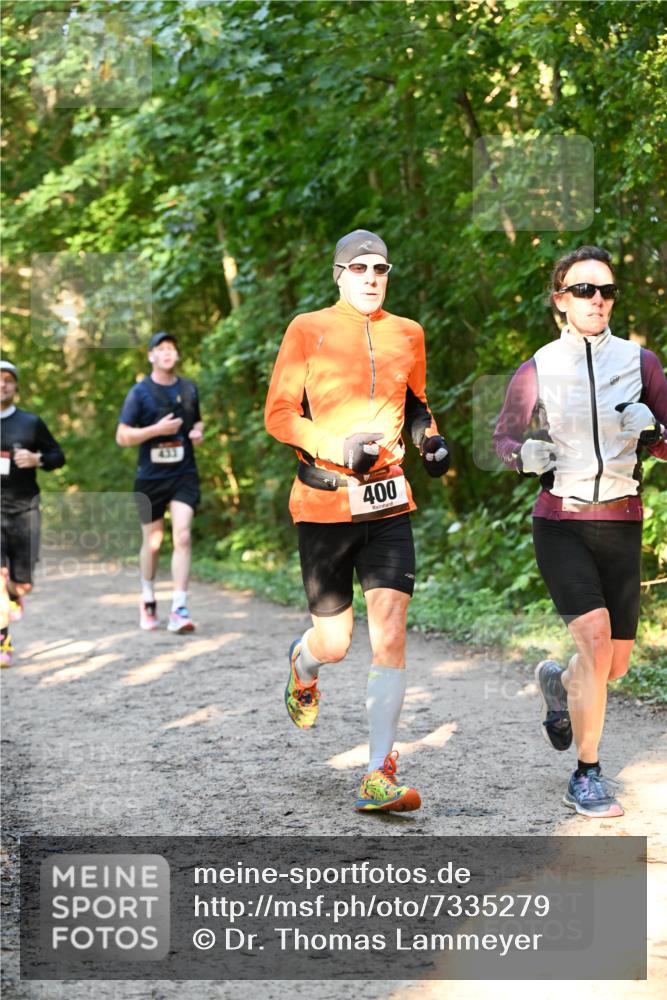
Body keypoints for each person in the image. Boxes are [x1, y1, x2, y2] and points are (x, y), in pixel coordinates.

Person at [265, 229, 449, 812]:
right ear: (339, 274)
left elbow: (415, 403)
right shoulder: (307, 328)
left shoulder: (408, 333)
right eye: (360, 268)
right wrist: (337, 446)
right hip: (325, 502)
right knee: (336, 642)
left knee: (390, 627)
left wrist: (432, 442)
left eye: (381, 268)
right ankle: (304, 662)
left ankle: (378, 771)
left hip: (389, 501)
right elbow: (278, 415)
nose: (372, 277)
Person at [494, 245, 667, 818]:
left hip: (620, 523)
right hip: (561, 523)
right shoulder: (538, 366)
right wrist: (526, 454)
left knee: (611, 666)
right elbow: (503, 442)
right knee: (594, 644)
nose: (598, 300)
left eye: (607, 290)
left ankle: (558, 684)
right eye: (584, 290)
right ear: (561, 300)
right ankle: (587, 774)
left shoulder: (641, 363)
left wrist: (655, 431)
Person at [116, 332, 204, 633]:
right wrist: (156, 430)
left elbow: (197, 422)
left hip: (184, 474)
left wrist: (198, 432)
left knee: (181, 536)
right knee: (152, 544)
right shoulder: (139, 393)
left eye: (172, 349)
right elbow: (123, 436)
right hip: (150, 477)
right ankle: (148, 596)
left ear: (176, 356)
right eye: (161, 349)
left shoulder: (189, 389)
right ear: (151, 356)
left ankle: (179, 607)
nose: (167, 353)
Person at [0, 360, 66, 666]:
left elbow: (58, 456)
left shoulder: (30, 423)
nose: (2, 385)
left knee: (22, 582)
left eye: (8, 380)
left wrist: (37, 459)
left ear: (16, 386)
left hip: (25, 508)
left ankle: (15, 594)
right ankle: (3, 642)